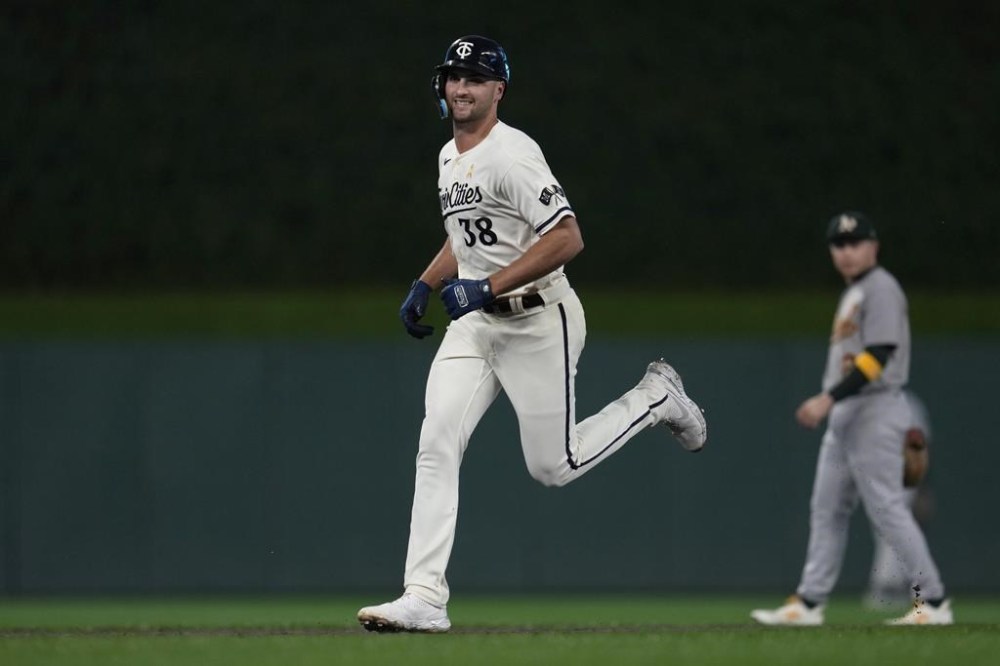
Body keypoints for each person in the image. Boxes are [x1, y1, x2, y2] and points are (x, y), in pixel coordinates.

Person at [357, 35, 707, 633]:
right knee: (437, 440)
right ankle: (424, 596)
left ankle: (654, 398)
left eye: (474, 78)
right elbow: (467, 236)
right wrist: (425, 281)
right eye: (453, 77)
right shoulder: (449, 157)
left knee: (554, 465)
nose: (461, 88)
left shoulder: (513, 153)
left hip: (539, 319)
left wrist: (488, 288)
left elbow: (567, 237)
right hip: (474, 327)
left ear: (499, 89)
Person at [750, 212, 953, 626]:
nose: (847, 251)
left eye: (855, 242)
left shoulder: (882, 289)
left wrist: (828, 398)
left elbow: (879, 355)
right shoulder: (856, 293)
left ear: (873, 247)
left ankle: (933, 600)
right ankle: (809, 602)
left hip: (874, 409)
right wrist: (835, 404)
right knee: (826, 508)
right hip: (847, 414)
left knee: (887, 509)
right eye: (839, 245)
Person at [864, 390, 934, 608]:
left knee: (892, 529)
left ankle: (888, 586)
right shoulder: (871, 403)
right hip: (878, 472)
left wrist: (918, 481)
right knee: (885, 530)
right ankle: (899, 586)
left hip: (903, 473)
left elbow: (920, 444)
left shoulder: (909, 404)